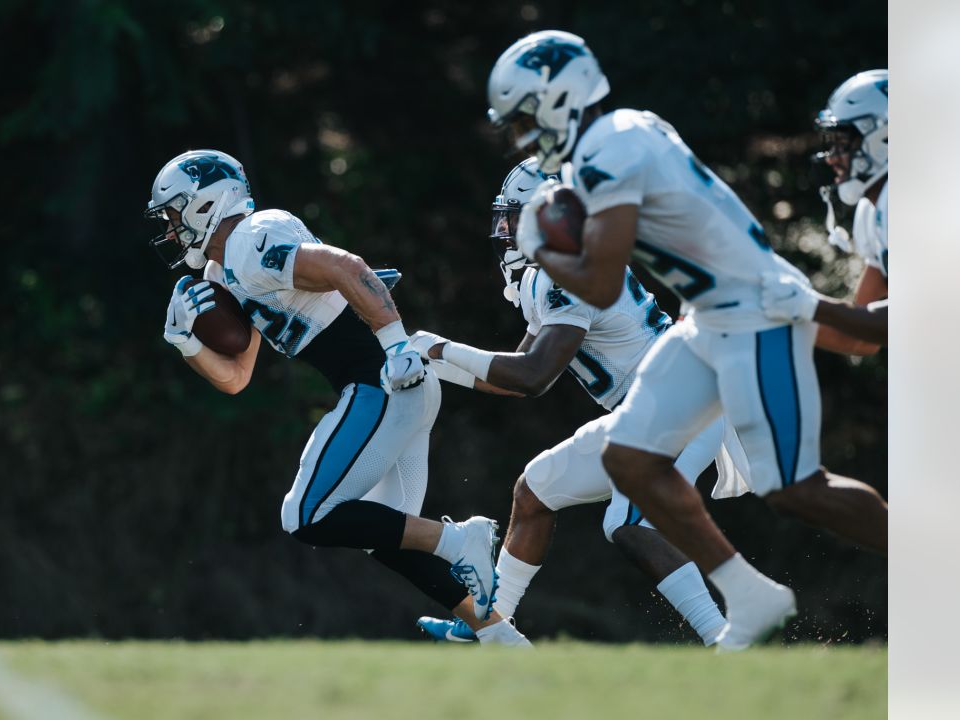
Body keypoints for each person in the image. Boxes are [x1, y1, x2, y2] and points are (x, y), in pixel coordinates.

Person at [486, 31, 888, 650]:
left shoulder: (610, 149)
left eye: (524, 118)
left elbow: (597, 276)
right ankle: (749, 594)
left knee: (795, 488)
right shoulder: (618, 135)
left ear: (556, 100)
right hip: (705, 316)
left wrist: (542, 246)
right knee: (630, 457)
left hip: (748, 310)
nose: (523, 134)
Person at [147, 149, 529, 645]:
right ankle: (505, 641)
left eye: (176, 215)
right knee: (383, 535)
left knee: (305, 513)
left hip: (384, 382)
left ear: (205, 204)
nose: (173, 231)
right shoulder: (225, 272)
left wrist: (394, 344)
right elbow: (237, 378)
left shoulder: (251, 238)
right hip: (395, 390)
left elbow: (345, 266)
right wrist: (188, 344)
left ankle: (461, 539)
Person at [413, 158, 743, 646]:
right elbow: (513, 373)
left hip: (681, 402)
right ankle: (492, 626)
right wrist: (434, 367)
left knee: (628, 524)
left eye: (514, 216)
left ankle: (725, 640)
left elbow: (533, 378)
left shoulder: (570, 272)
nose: (503, 230)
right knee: (536, 489)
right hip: (649, 409)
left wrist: (441, 348)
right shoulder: (555, 270)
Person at [761, 69, 888, 349]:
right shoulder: (874, 212)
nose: (832, 159)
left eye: (843, 144)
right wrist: (759, 320)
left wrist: (810, 306)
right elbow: (862, 338)